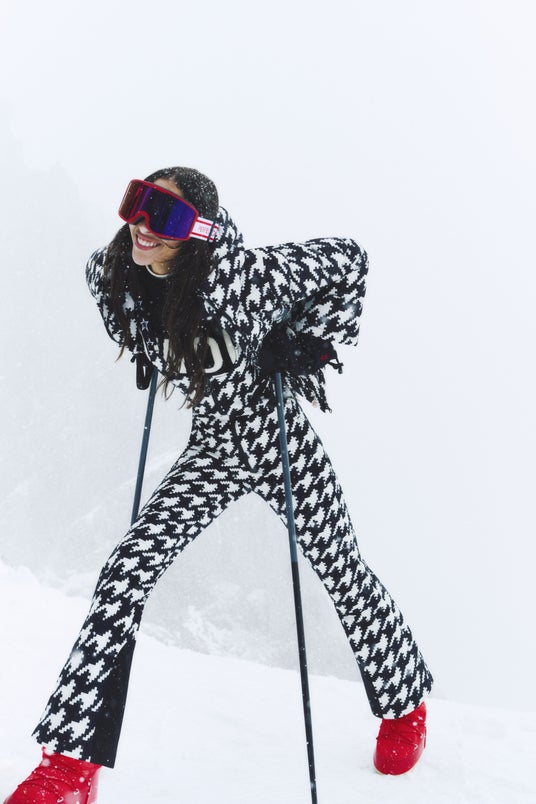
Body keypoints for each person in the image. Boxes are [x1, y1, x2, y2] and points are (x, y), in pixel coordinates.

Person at [5, 166, 432, 804]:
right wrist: (147, 343)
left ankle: (404, 705)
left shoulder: (246, 279)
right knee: (124, 574)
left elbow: (349, 259)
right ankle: (68, 766)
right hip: (213, 451)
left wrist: (309, 343)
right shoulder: (114, 274)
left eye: (165, 215)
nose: (142, 225)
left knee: (342, 570)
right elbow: (120, 308)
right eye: (137, 202)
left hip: (279, 444)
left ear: (199, 231)